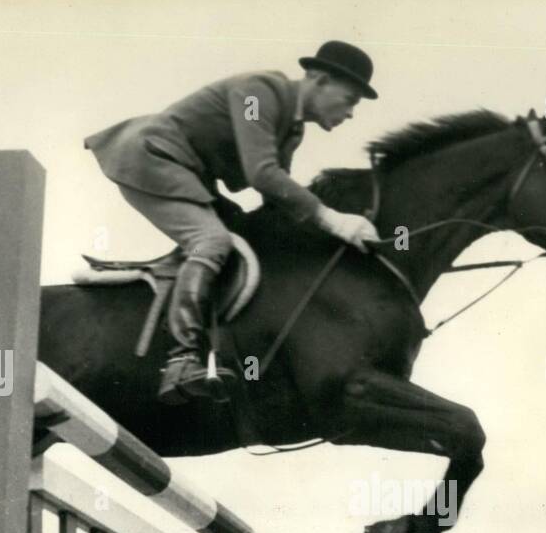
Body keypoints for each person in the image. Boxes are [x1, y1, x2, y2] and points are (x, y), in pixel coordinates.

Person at [84, 40, 381, 403]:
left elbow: (276, 199)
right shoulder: (257, 93)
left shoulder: (292, 130)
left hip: (186, 171)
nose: (351, 113)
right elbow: (262, 174)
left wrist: (344, 236)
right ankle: (181, 360)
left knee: (244, 230)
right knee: (212, 242)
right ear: (318, 80)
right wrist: (333, 219)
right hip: (151, 157)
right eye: (350, 99)